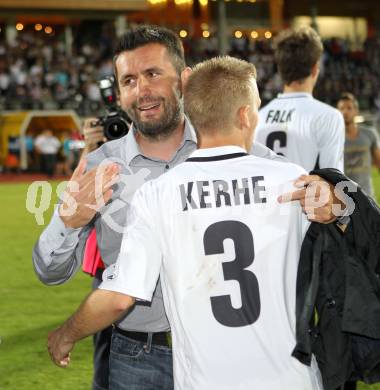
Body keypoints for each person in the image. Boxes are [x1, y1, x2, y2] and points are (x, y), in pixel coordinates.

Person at [33, 26, 341, 390]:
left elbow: (320, 201)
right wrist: (66, 223)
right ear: (119, 93)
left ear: (184, 79)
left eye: (152, 74)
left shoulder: (244, 153)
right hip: (138, 357)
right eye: (129, 80)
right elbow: (50, 272)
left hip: (226, 355)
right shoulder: (100, 167)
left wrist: (331, 200)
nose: (141, 90)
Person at [255, 26, 345, 172]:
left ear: (280, 69)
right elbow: (333, 181)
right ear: (315, 68)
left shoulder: (257, 118)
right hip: (306, 194)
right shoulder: (328, 117)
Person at [337, 92, 380, 197]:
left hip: (368, 198)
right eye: (341, 108)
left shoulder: (370, 133)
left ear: (356, 111)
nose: (345, 112)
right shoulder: (334, 137)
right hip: (344, 200)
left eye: (349, 108)